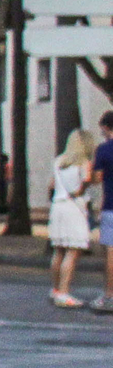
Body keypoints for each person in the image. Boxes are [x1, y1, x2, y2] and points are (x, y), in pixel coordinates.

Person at [49, 129, 93, 308]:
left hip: (57, 205)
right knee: (73, 250)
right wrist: (80, 190)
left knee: (58, 250)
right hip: (73, 207)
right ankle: (65, 292)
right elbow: (87, 180)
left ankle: (56, 289)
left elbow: (51, 184)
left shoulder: (59, 161)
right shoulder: (84, 163)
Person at [90, 112, 113, 313]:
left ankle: (110, 295)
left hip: (111, 206)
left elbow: (96, 178)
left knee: (111, 254)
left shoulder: (103, 150)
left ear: (106, 127)